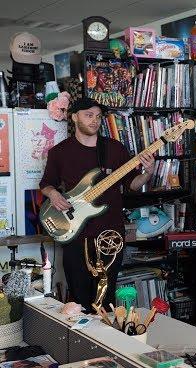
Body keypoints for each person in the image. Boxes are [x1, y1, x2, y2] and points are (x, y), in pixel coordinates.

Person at [39, 98, 155, 312]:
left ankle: (107, 339)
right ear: (74, 117)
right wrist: (54, 194)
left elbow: (133, 184)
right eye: (88, 115)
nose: (94, 121)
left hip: (110, 234)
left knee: (107, 296)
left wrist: (148, 172)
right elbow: (46, 184)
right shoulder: (60, 152)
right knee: (79, 297)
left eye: (98, 116)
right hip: (75, 234)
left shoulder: (115, 149)